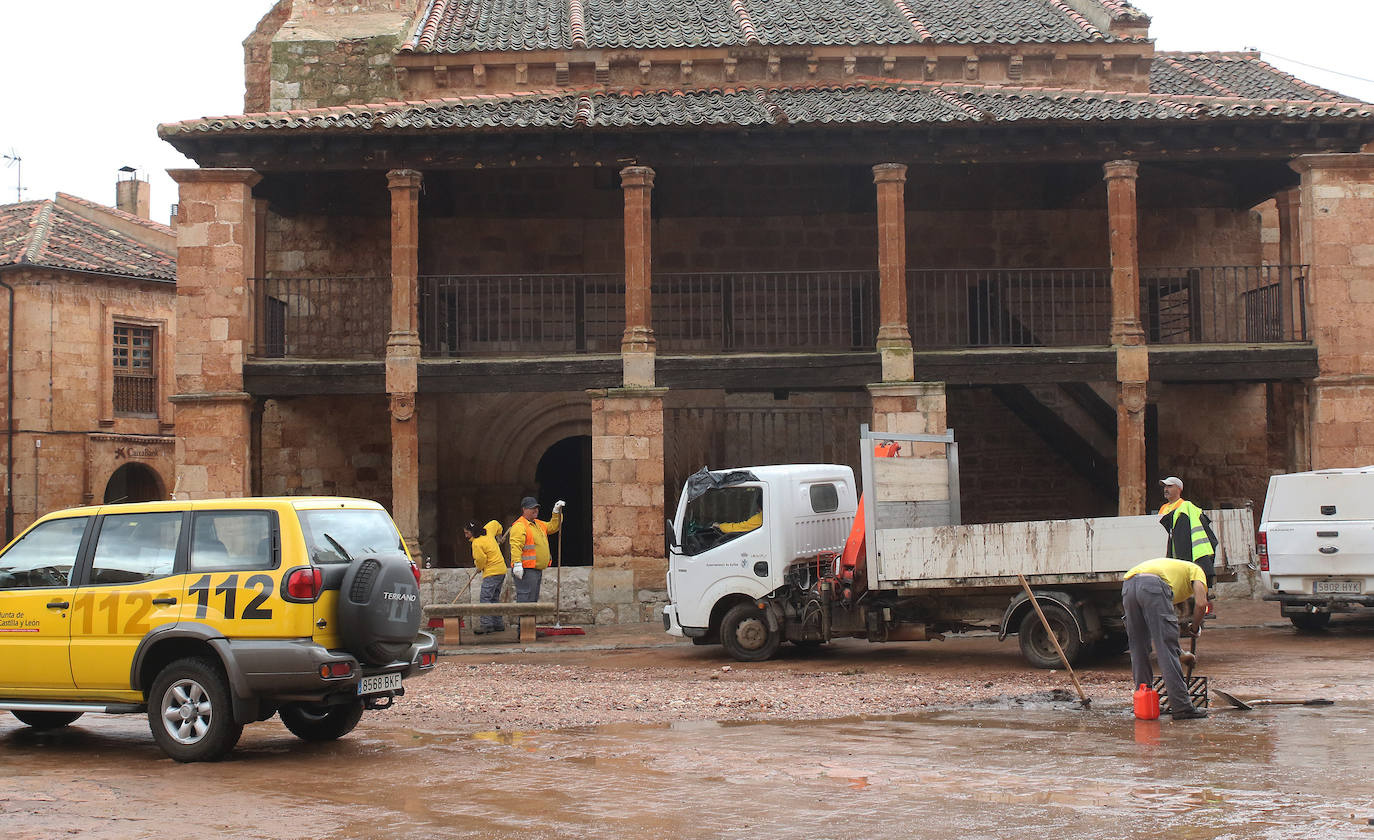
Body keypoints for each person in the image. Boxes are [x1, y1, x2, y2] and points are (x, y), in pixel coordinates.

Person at [1122, 557, 1210, 720]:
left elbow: (1163, 633)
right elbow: (1201, 604)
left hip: (1128, 585)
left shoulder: (1175, 573)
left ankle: (1144, 703)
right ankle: (1182, 707)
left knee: (1139, 649)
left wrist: (1182, 654)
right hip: (1153, 585)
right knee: (1165, 650)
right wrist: (1195, 627)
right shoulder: (1197, 570)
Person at [1158, 476, 1218, 589]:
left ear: (1179, 489)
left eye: (1170, 486)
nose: (1166, 489)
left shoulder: (1184, 507)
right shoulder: (1163, 508)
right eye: (1165, 486)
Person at [507, 496, 563, 603]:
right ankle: (524, 620)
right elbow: (515, 546)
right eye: (532, 508)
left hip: (535, 569)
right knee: (526, 600)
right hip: (526, 570)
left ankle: (530, 620)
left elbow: (553, 526)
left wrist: (556, 512)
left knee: (532, 601)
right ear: (524, 509)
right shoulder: (519, 526)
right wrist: (517, 564)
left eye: (536, 507)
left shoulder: (538, 524)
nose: (535, 510)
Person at [464, 520, 507, 634]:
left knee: (485, 598)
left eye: (467, 533)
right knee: (494, 598)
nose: (466, 536)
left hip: (492, 572)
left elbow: (481, 559)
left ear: (473, 532)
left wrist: (479, 567)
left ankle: (486, 625)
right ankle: (498, 624)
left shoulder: (476, 543)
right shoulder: (488, 530)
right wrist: (499, 536)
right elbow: (497, 524)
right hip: (501, 570)